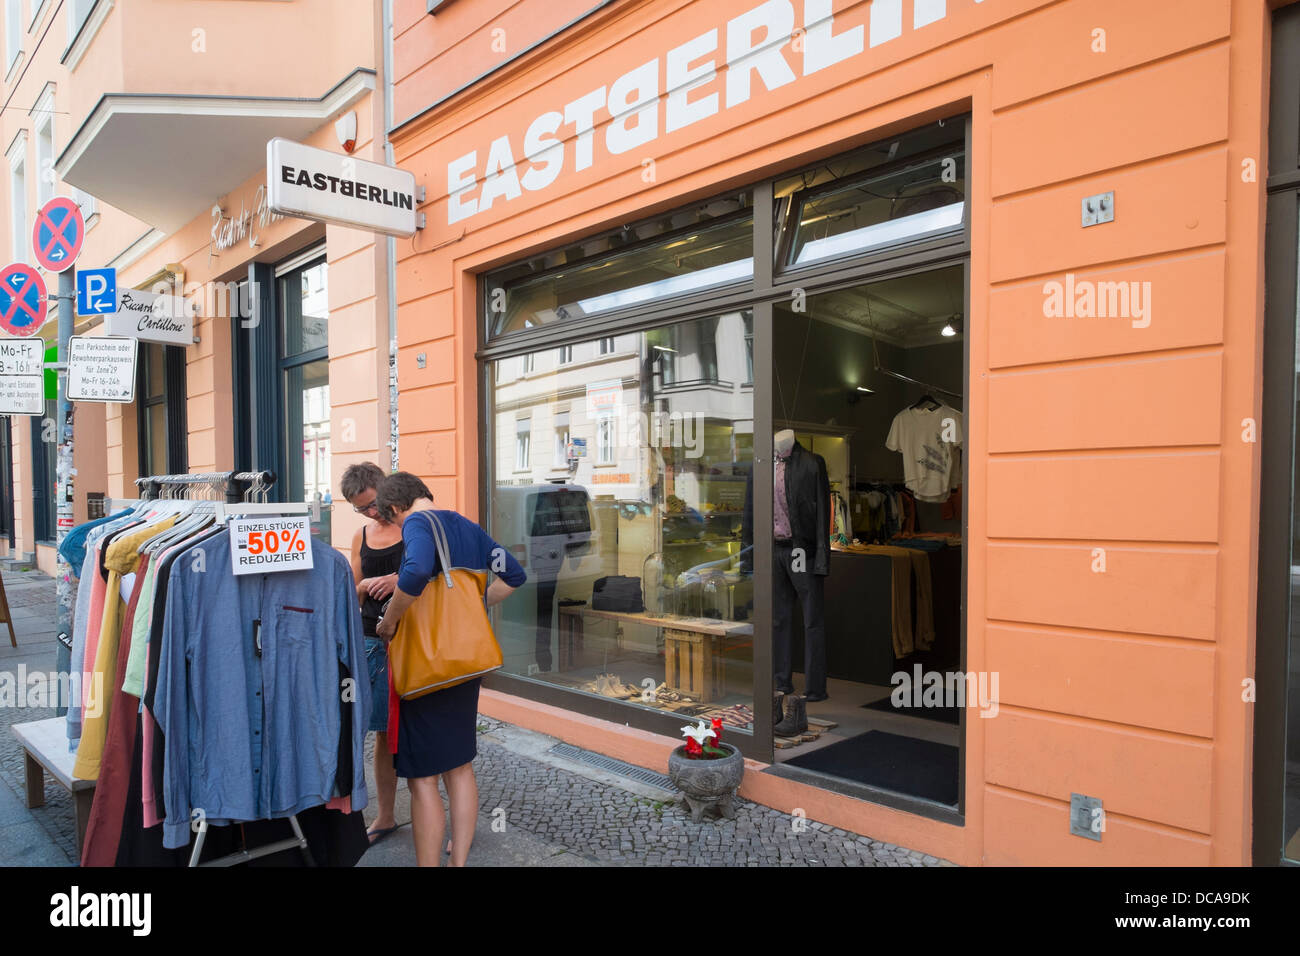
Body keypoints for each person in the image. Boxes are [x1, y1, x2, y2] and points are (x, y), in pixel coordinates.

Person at [374, 472, 525, 867]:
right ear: (424, 493)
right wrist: (476, 606)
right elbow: (514, 574)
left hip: (427, 669)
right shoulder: (467, 526)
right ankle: (457, 862)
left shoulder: (419, 524)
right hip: (465, 663)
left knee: (423, 777)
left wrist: (389, 622)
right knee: (459, 767)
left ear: (394, 508)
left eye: (390, 519)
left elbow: (418, 570)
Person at [341, 462, 402, 845]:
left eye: (374, 504)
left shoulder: (414, 526)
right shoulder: (361, 535)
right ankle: (385, 815)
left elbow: (434, 574)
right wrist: (365, 584)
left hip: (415, 641)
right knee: (380, 731)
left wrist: (400, 579)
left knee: (418, 729)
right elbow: (352, 591)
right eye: (362, 509)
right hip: (372, 640)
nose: (371, 513)